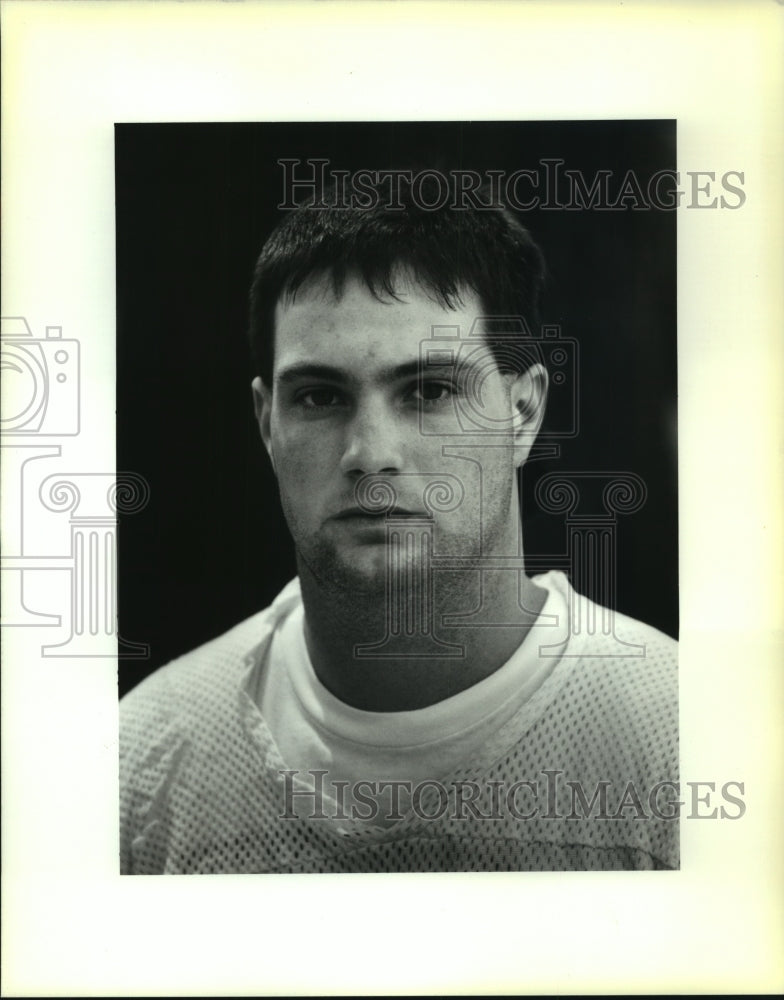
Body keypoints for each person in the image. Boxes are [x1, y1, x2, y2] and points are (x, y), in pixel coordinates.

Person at [120, 177, 678, 874]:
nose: (369, 454)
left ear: (523, 414)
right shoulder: (141, 765)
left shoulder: (683, 739)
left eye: (429, 390)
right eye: (320, 397)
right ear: (268, 422)